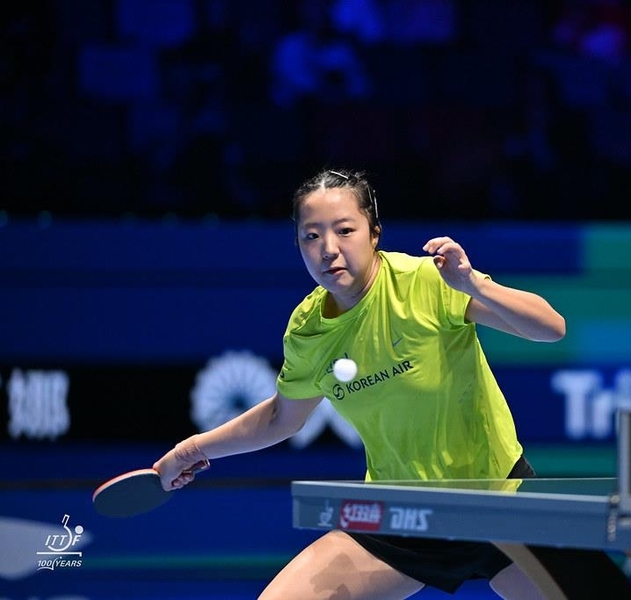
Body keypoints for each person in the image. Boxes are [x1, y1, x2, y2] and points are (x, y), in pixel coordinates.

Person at [153, 167, 567, 599]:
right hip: (399, 519)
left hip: (500, 502)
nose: (328, 249)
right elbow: (280, 417)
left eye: (345, 230)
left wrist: (472, 283)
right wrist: (190, 451)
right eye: (311, 236)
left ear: (374, 234)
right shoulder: (308, 330)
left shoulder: (426, 282)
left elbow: (550, 327)